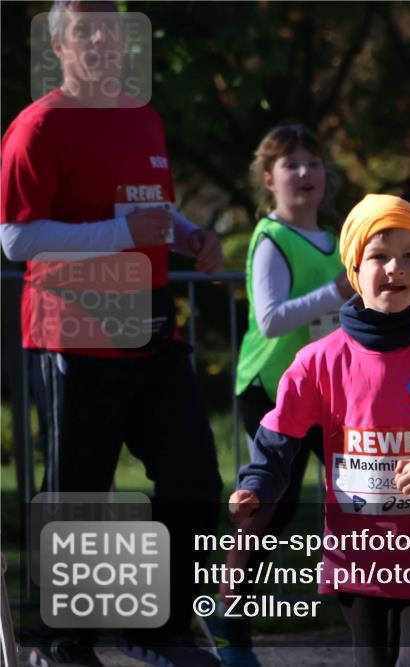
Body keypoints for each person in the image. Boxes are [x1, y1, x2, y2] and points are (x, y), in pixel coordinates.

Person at [0, 2, 223, 665]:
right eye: (84, 30)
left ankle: (160, 629)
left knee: (194, 479)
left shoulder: (142, 116)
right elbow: (15, 238)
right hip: (74, 329)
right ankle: (64, 643)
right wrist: (122, 235)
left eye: (111, 29)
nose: (101, 39)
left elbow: (150, 207)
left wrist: (190, 236)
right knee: (80, 496)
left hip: (152, 326)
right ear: (59, 47)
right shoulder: (38, 126)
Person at [229, 194, 410, 667]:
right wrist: (256, 485)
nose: (395, 267)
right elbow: (279, 433)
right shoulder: (319, 359)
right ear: (354, 268)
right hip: (358, 553)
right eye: (379, 255)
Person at [207, 124, 353, 667]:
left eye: (312, 162)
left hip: (328, 390)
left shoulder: (337, 239)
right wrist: (335, 291)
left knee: (359, 494)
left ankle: (377, 613)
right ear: (268, 178)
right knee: (271, 501)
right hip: (271, 388)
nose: (304, 173)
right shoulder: (270, 238)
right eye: (290, 164)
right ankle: (227, 612)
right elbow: (270, 320)